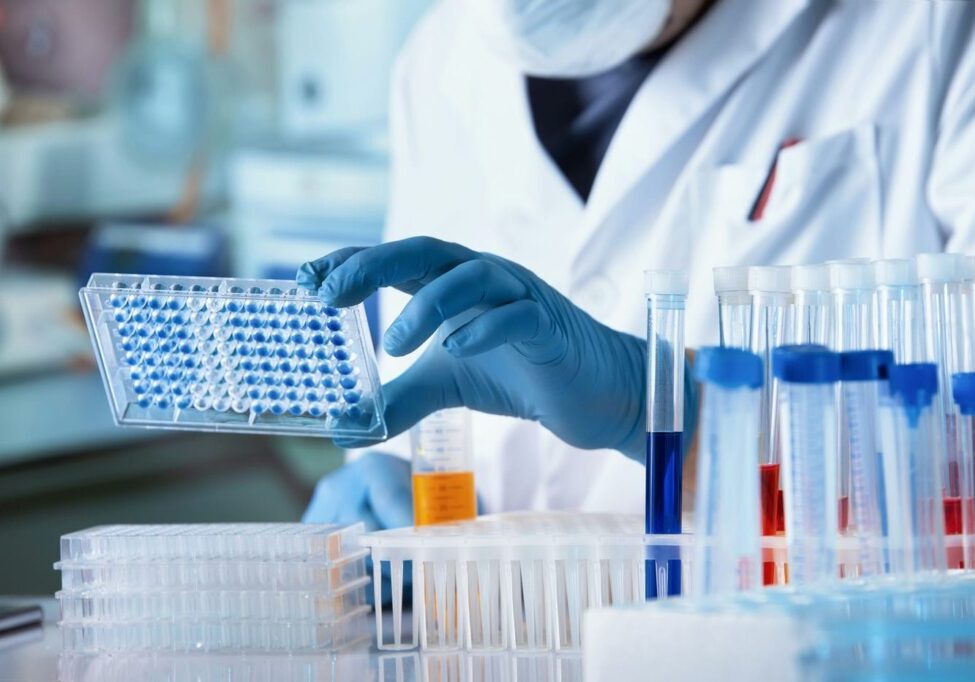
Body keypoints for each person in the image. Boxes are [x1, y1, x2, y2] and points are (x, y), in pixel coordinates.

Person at [301, 0, 975, 530]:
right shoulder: (438, 55)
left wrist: (666, 411)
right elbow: (421, 360)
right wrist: (397, 479)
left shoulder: (931, 25)